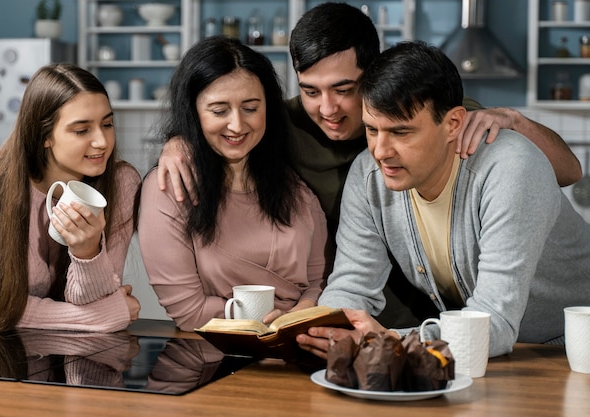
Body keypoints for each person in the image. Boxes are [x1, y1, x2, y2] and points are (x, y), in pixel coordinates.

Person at [155, 3, 581, 326]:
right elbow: (227, 125)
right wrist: (180, 141)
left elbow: (563, 173)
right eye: (311, 91)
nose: (328, 108)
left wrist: (515, 122)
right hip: (369, 317)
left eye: (345, 89)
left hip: (445, 321)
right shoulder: (279, 125)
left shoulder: (434, 114)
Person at [296, 40, 590, 360]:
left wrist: (392, 341)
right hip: (480, 353)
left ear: (452, 124)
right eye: (372, 130)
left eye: (401, 132)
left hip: (570, 350)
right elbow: (352, 286)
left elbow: (493, 321)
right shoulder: (368, 175)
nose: (380, 152)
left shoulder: (511, 168)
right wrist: (322, 329)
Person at [137, 36, 331, 332]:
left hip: (296, 345)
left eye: (251, 108)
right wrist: (275, 316)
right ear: (194, 111)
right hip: (210, 358)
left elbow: (319, 282)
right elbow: (188, 312)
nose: (237, 126)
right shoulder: (169, 188)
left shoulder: (294, 187)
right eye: (219, 111)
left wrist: (302, 311)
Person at [0, 63, 141, 342]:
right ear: (44, 135)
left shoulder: (121, 183)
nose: (102, 141)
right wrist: (105, 317)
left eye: (107, 124)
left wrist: (87, 251)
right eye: (82, 130)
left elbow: (98, 298)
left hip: (76, 357)